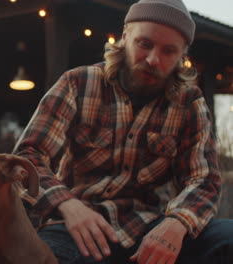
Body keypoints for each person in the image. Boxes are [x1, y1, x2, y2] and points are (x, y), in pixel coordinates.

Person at [14, 0, 233, 263]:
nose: (153, 59)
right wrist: (67, 204)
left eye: (168, 51)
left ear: (182, 55)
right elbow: (27, 157)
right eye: (145, 44)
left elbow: (204, 180)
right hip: (77, 227)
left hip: (153, 227)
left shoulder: (190, 103)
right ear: (126, 35)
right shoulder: (77, 83)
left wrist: (177, 223)